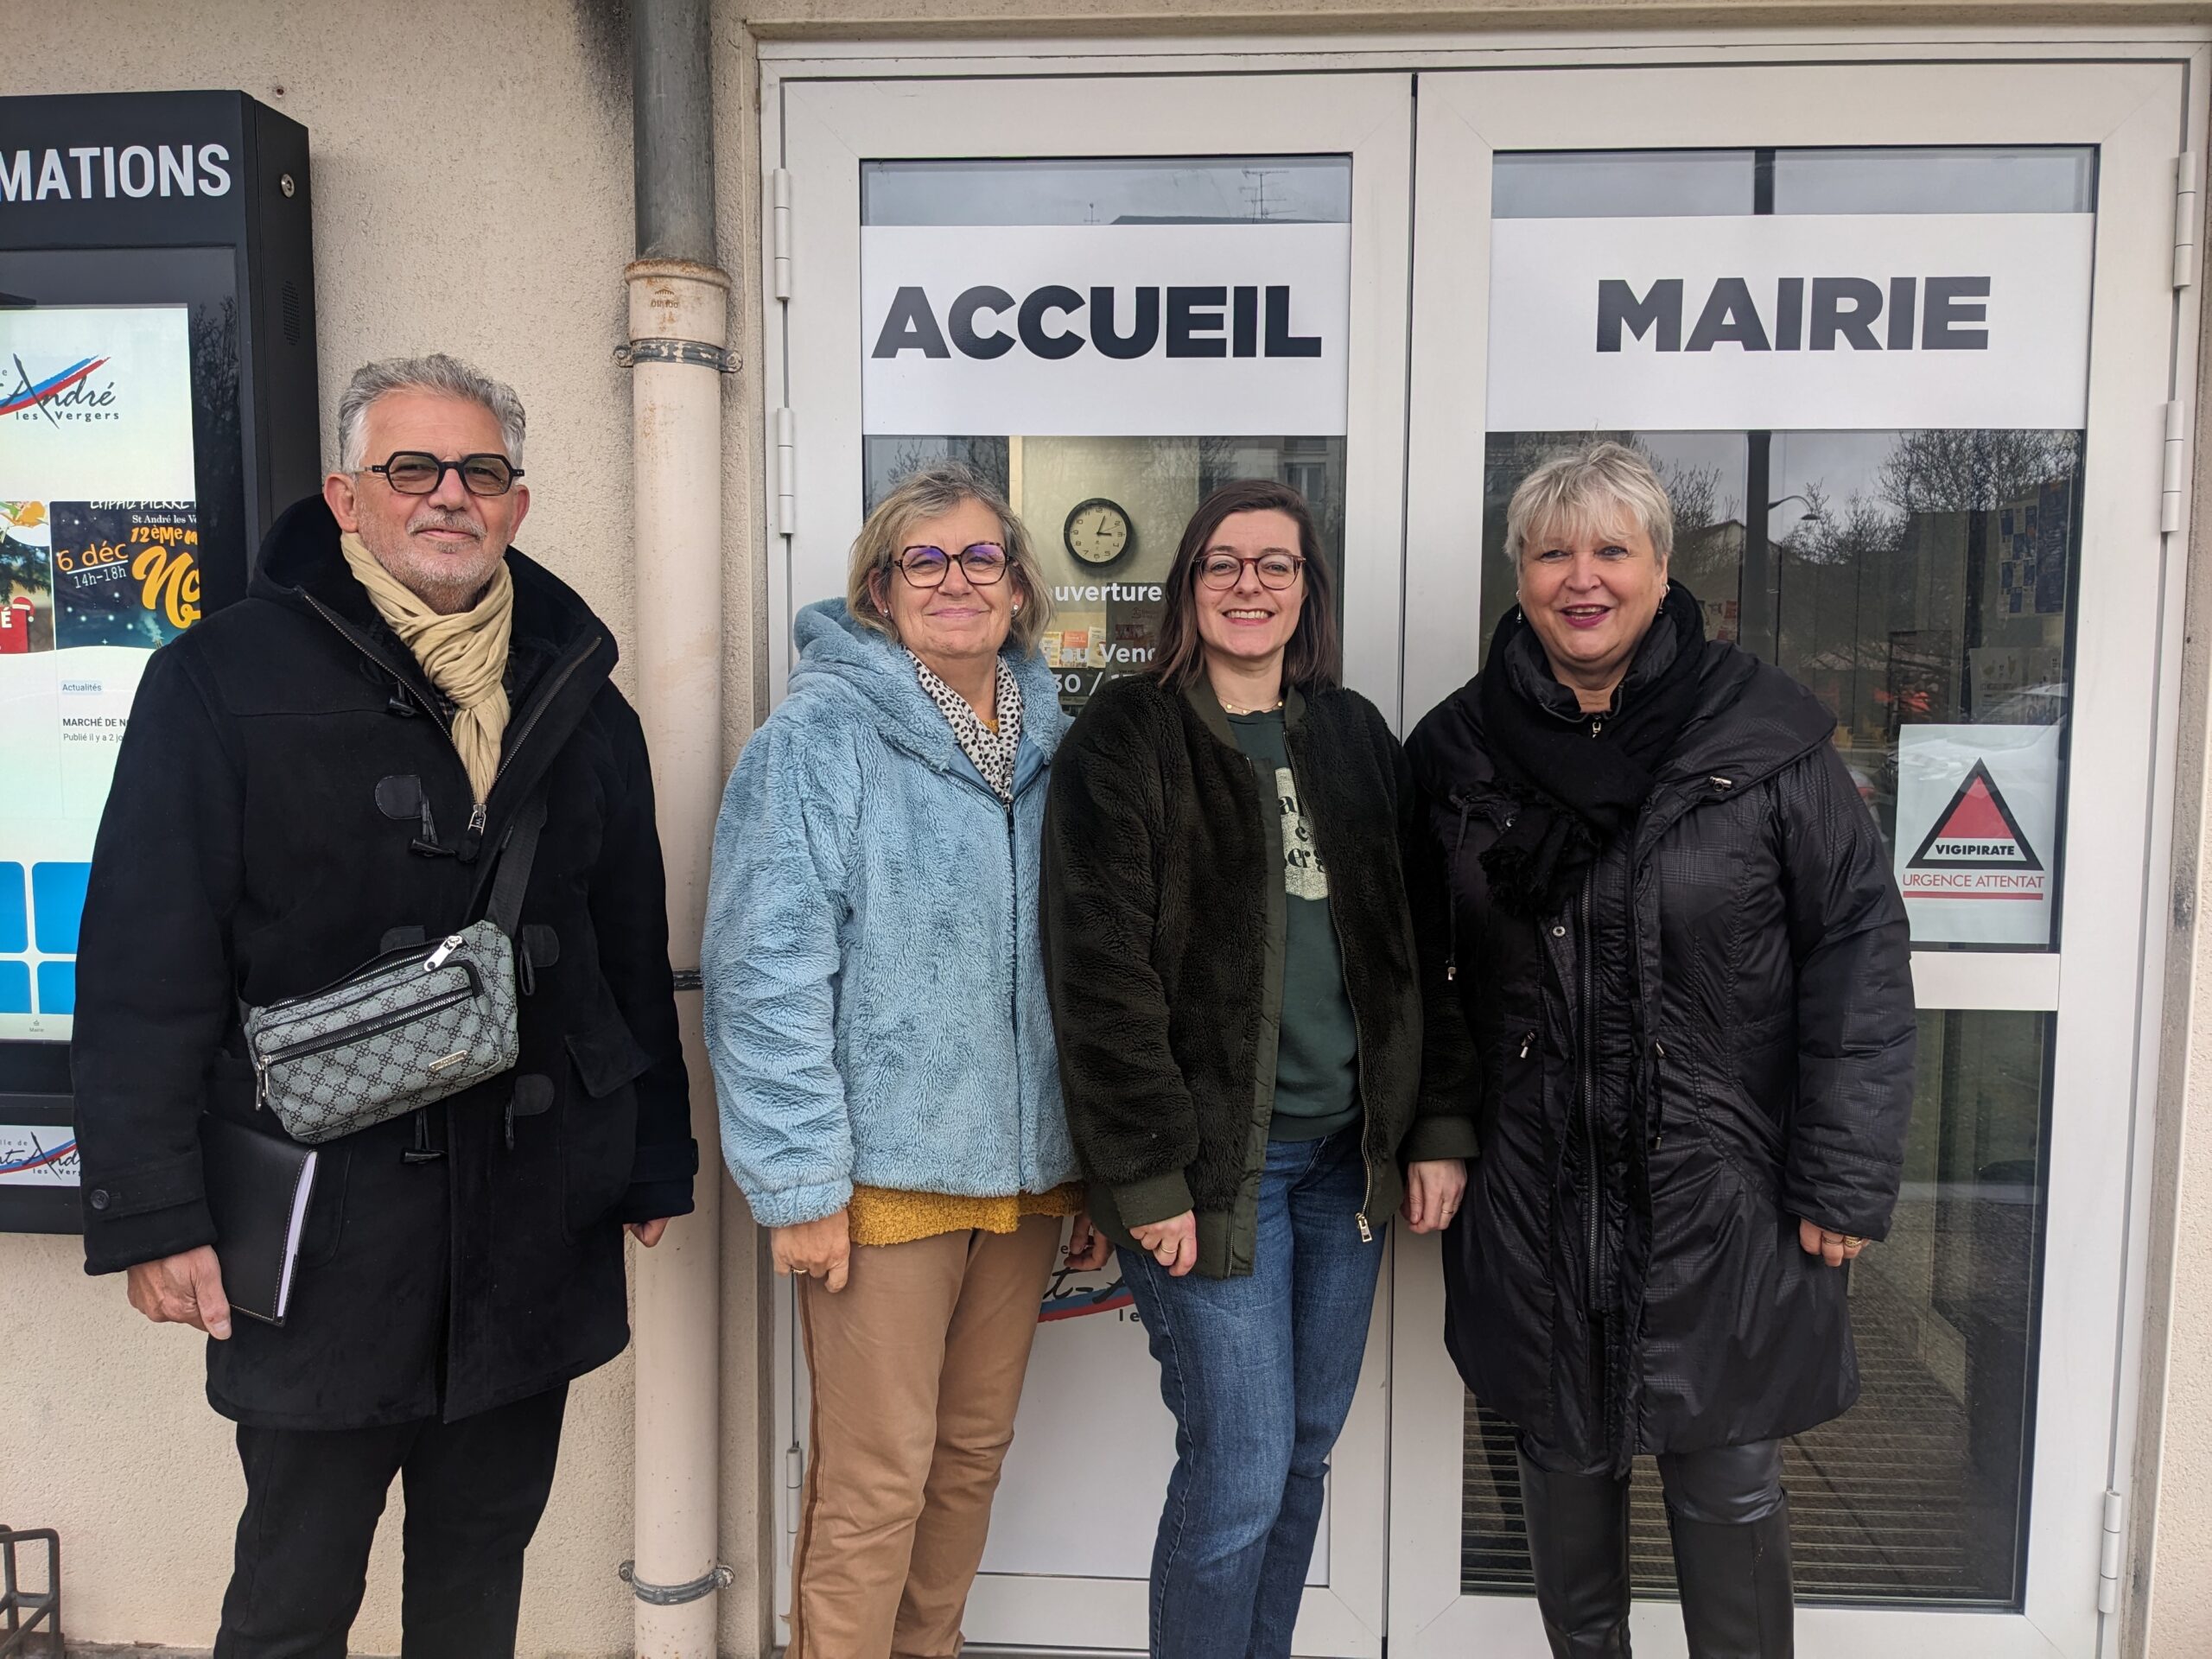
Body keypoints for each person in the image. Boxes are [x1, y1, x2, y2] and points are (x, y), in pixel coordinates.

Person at [71, 354, 696, 1657]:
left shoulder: (583, 695)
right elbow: (143, 963)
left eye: (480, 472)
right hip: (320, 1226)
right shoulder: (216, 679)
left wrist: (651, 1156)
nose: (448, 495)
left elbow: (627, 948)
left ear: (517, 504)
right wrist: (152, 1210)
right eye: (412, 468)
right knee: (292, 1599)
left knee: (477, 1587)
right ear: (347, 497)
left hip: (530, 1217)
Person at [1405, 441, 1916, 1657]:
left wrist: (1844, 1173)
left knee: (1727, 1477)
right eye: (1552, 552)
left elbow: (1856, 952)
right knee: (1561, 1463)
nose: (1581, 578)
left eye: (1611, 550)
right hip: (1534, 1182)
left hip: (1721, 1185)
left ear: (1661, 566)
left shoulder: (1766, 732)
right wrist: (1437, 1124)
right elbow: (1413, 963)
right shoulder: (1458, 748)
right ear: (1521, 574)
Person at [1041, 479, 1476, 1659]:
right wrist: (1145, 1176)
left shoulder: (1355, 739)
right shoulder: (1130, 737)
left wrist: (1436, 1125)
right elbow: (1098, 976)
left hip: (1346, 1166)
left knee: (1302, 1453)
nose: (1249, 586)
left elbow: (1422, 949)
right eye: (1223, 563)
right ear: (1189, 586)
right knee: (1237, 1468)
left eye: (1275, 565)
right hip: (1209, 1173)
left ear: (1306, 592)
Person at [705, 465, 1104, 1659]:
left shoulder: (1058, 746)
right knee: (877, 1478)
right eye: (922, 561)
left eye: (981, 558)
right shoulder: (818, 740)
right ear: (878, 591)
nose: (955, 581)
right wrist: (799, 1185)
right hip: (881, 1181)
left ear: (1019, 587)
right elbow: (764, 973)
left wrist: (1090, 1163)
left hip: (1025, 1181)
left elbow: (1088, 967)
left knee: (970, 1459)